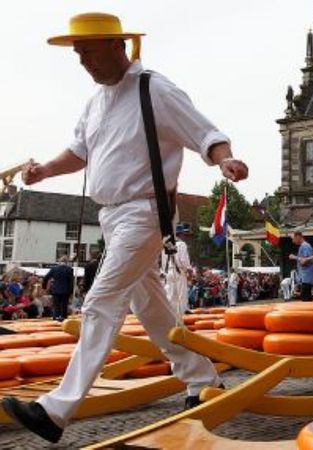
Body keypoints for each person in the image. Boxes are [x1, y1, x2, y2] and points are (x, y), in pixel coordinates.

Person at [3, 13, 249, 443]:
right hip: (111, 216)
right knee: (150, 308)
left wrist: (224, 159)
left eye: (90, 52)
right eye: (78, 54)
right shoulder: (96, 101)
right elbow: (79, 151)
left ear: (119, 45)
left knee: (101, 299)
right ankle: (200, 378)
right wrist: (45, 170)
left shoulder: (154, 88)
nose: (84, 62)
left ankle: (56, 410)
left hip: (146, 211)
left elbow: (205, 131)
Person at [162, 224, 191, 313]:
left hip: (168, 272)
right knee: (181, 295)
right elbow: (183, 260)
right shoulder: (181, 244)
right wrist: (188, 270)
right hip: (179, 271)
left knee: (170, 294)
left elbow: (163, 262)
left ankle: (168, 313)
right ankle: (182, 314)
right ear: (181, 234)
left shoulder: (166, 246)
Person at [43, 256, 74, 322]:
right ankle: (64, 319)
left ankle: (56, 318)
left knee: (56, 305)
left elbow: (46, 278)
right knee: (64, 305)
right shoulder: (69, 269)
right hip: (66, 290)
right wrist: (71, 291)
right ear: (67, 262)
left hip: (56, 290)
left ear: (59, 261)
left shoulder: (54, 269)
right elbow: (71, 282)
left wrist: (44, 286)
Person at [288, 231, 313, 301]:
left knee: (305, 299)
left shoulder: (305, 246)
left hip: (307, 277)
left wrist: (295, 257)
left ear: (298, 237)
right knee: (307, 298)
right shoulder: (304, 246)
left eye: (293, 239)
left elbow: (306, 260)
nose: (293, 241)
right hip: (305, 277)